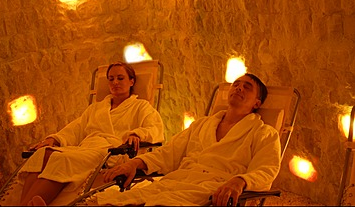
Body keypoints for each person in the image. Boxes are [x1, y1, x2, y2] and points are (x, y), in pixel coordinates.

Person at [92, 73, 281, 206]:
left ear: (257, 103)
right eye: (236, 84)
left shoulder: (264, 133)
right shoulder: (201, 125)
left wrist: (239, 181)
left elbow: (267, 170)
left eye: (247, 87)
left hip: (214, 188)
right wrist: (135, 163)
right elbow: (169, 152)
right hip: (178, 180)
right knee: (120, 201)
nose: (239, 87)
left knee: (162, 204)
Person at [18, 61, 164, 206]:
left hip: (111, 153)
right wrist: (54, 139)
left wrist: (137, 134)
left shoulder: (141, 106)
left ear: (131, 81)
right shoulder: (96, 108)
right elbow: (76, 129)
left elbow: (154, 127)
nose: (115, 82)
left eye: (120, 78)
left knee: (62, 160)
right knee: (43, 154)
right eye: (111, 79)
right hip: (86, 148)